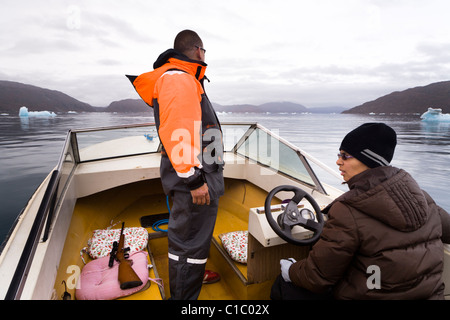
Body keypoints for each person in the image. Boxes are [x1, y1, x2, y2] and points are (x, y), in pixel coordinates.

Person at [271, 122, 450, 300]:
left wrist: (291, 270)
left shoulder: (348, 209)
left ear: (368, 160)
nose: (338, 161)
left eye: (345, 156)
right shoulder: (424, 198)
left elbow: (317, 278)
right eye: (339, 154)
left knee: (284, 284)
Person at [129, 30, 224, 299]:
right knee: (189, 248)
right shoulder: (179, 78)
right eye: (205, 51)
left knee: (192, 244)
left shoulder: (185, 78)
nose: (205, 56)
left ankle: (190, 279)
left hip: (201, 175)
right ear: (197, 50)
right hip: (194, 181)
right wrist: (194, 180)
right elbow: (178, 132)